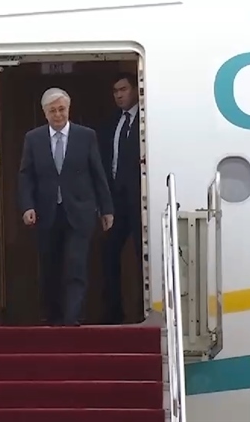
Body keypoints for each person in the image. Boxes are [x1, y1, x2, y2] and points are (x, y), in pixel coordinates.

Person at [18, 87, 115, 326]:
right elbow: (26, 175)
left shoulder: (86, 136)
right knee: (50, 266)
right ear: (45, 113)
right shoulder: (34, 138)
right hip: (47, 212)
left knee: (76, 264)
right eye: (53, 111)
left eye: (62, 109)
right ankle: (53, 317)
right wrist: (27, 206)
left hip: (80, 211)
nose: (58, 115)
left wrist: (107, 208)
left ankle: (72, 318)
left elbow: (97, 173)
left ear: (69, 109)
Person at [99, 72, 144, 325]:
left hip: (139, 200)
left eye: (123, 89)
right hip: (116, 201)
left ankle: (142, 310)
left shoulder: (146, 120)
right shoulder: (113, 122)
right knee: (109, 253)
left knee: (141, 254)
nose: (119, 95)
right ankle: (113, 312)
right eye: (115, 91)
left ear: (136, 90)